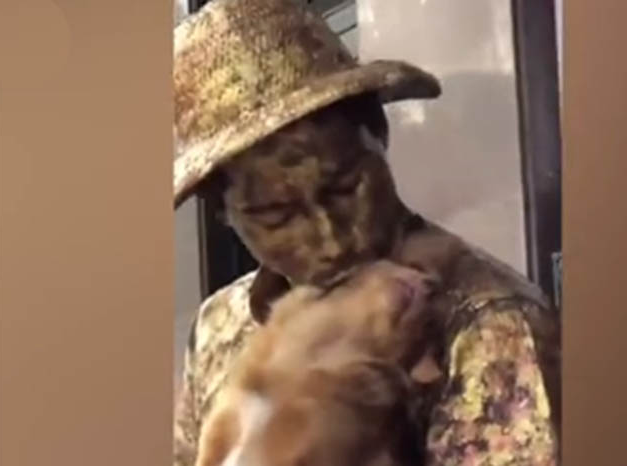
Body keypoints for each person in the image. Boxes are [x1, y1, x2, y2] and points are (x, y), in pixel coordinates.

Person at [172, 0, 561, 465]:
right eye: (277, 216)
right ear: (224, 213)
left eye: (344, 188)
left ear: (380, 134)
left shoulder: (495, 326)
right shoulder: (219, 325)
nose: (331, 240)